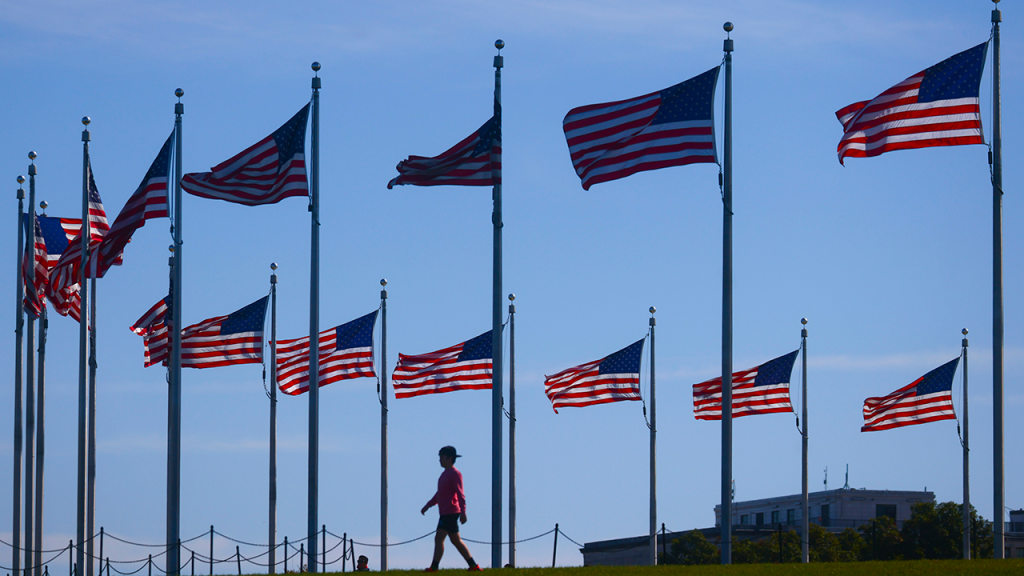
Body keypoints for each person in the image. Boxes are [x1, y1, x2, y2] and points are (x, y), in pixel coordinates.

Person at [421, 446, 481, 571]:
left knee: (439, 538)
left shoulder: (455, 474)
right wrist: (428, 505)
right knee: (456, 540)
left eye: (442, 457)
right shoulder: (444, 475)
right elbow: (440, 494)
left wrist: (463, 512)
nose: (440, 460)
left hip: (451, 512)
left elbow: (460, 494)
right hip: (445, 512)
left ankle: (434, 567)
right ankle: (473, 565)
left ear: (450, 458)